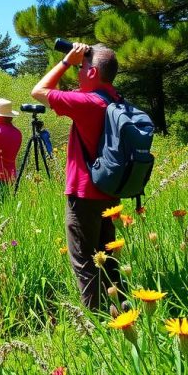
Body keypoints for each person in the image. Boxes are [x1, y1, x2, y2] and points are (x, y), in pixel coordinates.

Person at [31, 41, 122, 310]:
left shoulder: (87, 103)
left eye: (82, 68)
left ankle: (95, 322)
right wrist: (78, 62)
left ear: (93, 73)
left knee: (84, 263)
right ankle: (120, 309)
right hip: (110, 191)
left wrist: (66, 61)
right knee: (109, 258)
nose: (77, 72)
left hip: (84, 195)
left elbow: (38, 91)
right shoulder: (114, 99)